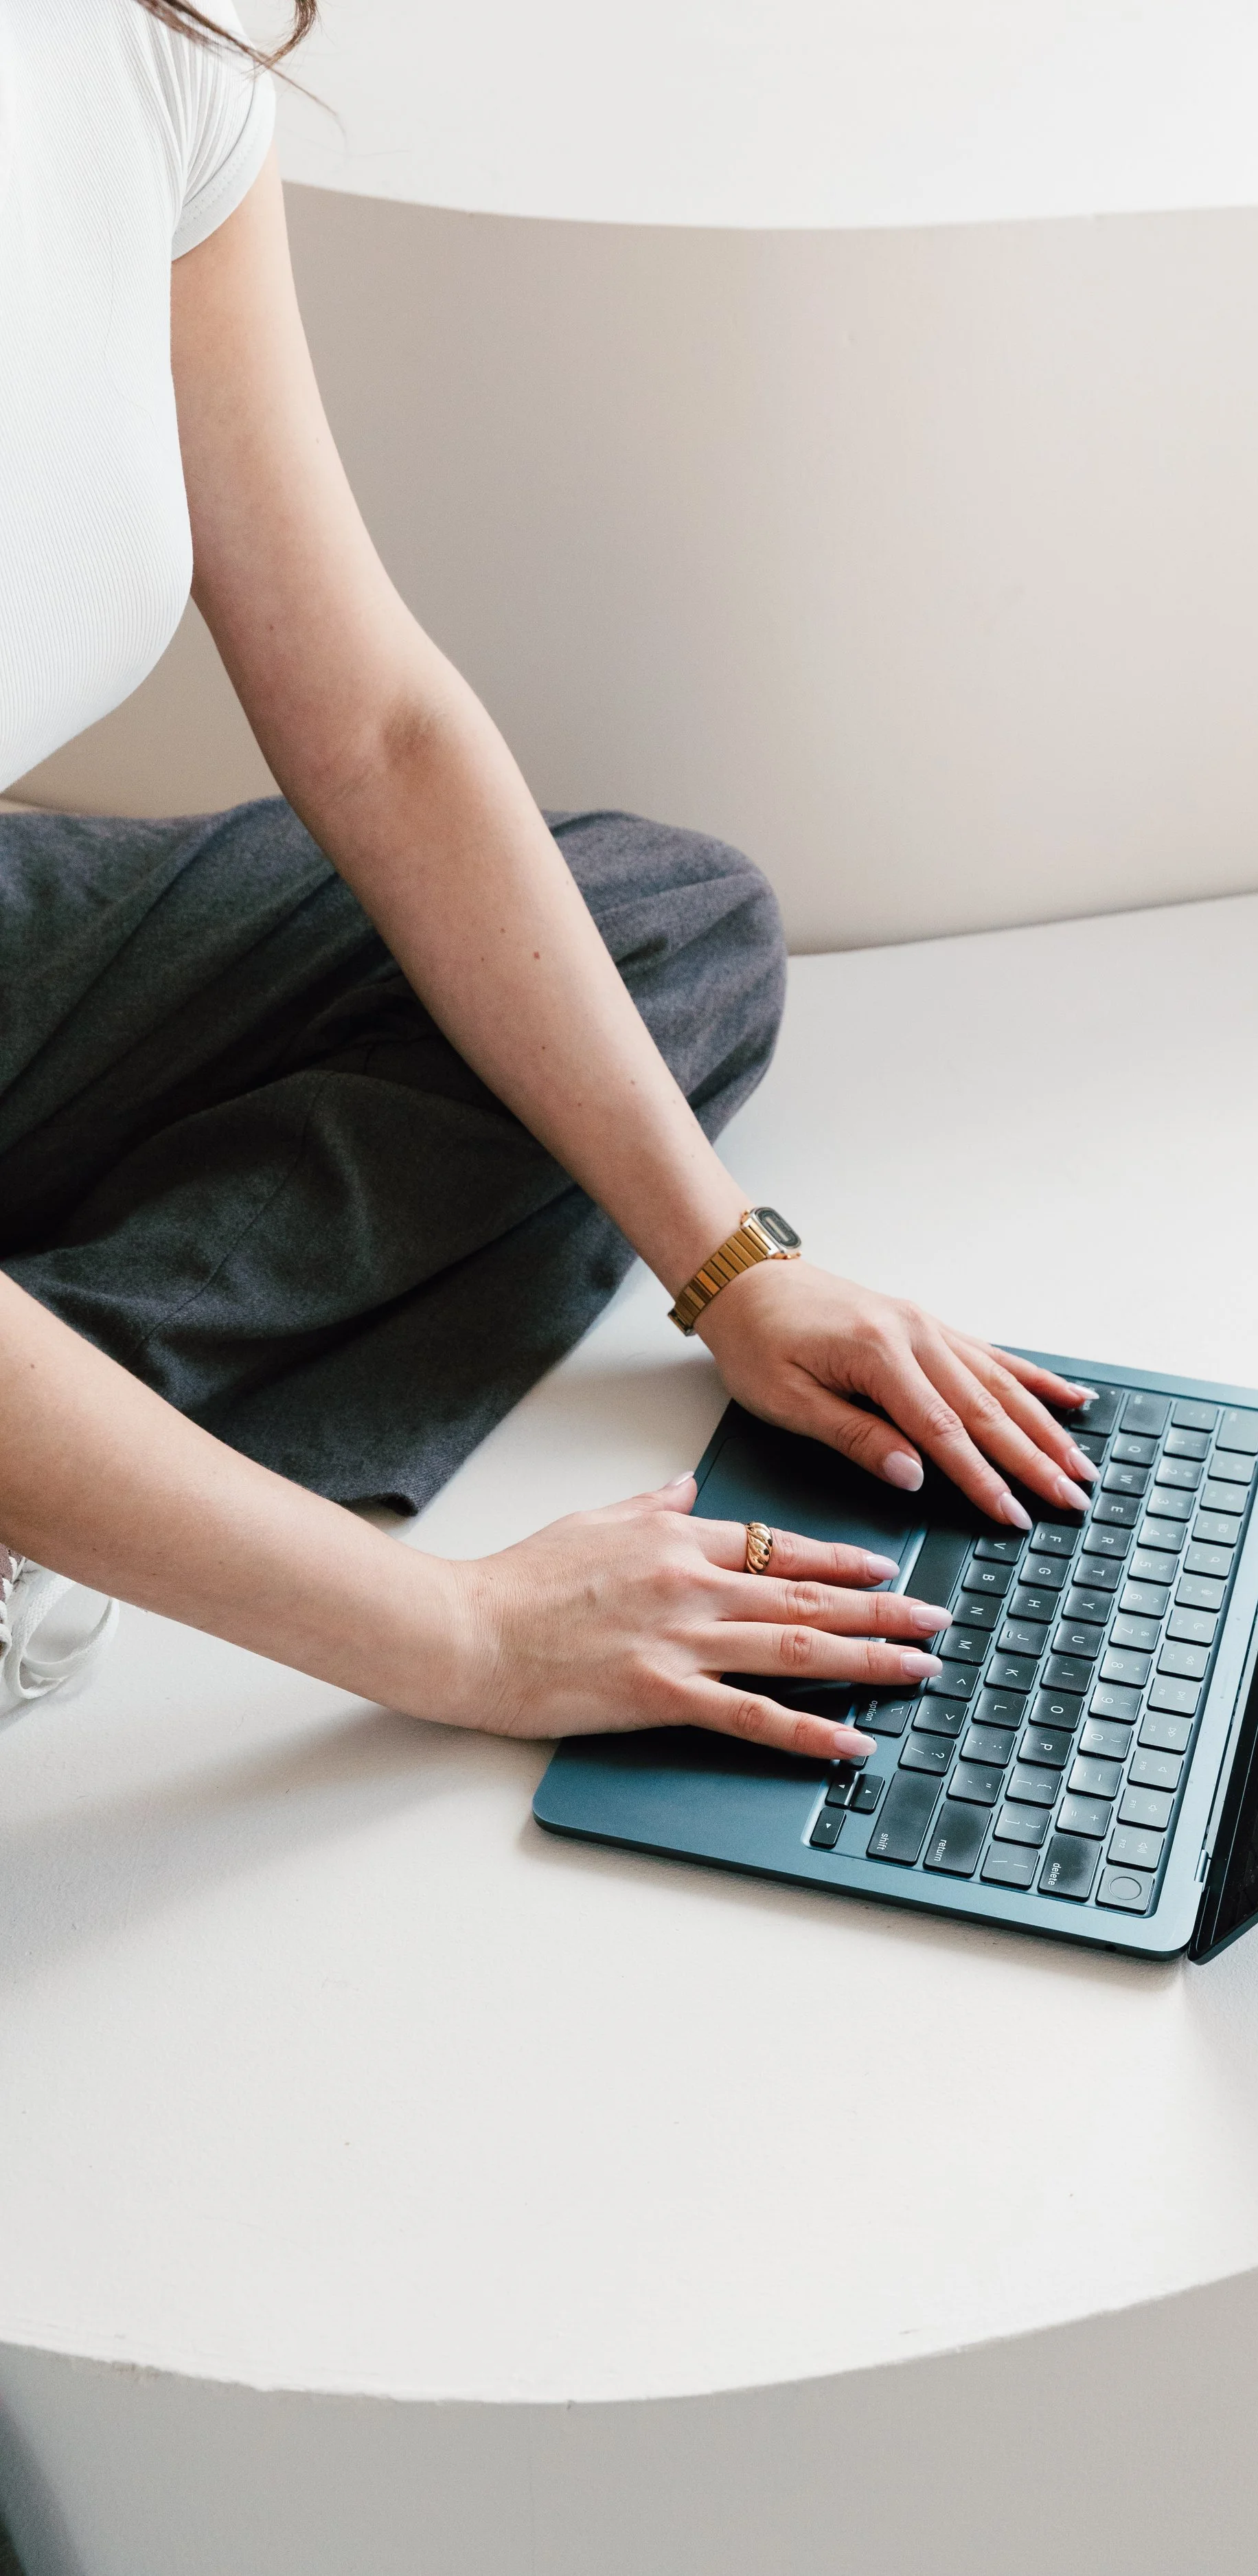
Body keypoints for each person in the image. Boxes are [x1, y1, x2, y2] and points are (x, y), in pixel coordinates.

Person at [0, 0, 1099, 1750]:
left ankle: (67, 1438)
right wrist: (462, 1639)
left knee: (666, 926)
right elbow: (469, 1645)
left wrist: (731, 1268)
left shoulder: (143, 53)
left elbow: (375, 724)